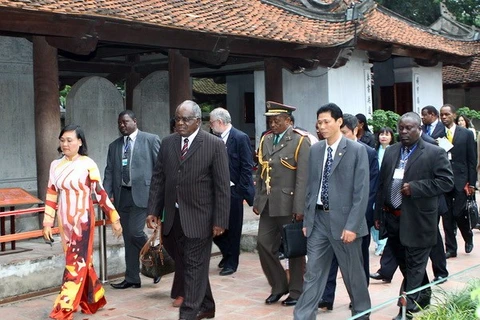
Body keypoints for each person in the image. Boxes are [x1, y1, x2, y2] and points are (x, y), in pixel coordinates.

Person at [146, 100, 230, 320]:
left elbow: (222, 186)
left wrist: (220, 220)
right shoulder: (167, 143)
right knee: (193, 264)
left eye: (185, 119)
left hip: (201, 217)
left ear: (198, 121)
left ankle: (188, 314)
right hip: (174, 218)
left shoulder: (214, 144)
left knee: (193, 265)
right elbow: (159, 178)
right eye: (177, 119)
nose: (180, 123)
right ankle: (208, 306)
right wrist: (153, 210)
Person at [294, 103, 371, 320]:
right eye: (319, 122)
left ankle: (362, 314)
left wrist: (352, 226)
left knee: (352, 275)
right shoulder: (316, 149)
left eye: (326, 121)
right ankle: (303, 316)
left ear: (339, 122)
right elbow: (311, 187)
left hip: (345, 223)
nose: (322, 126)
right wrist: (307, 219)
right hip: (318, 220)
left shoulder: (357, 151)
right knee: (313, 273)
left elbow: (361, 192)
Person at [374, 112, 454, 320]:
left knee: (415, 264)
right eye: (401, 128)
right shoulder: (391, 151)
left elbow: (446, 182)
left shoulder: (434, 152)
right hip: (393, 218)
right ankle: (424, 295)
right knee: (406, 264)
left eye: (409, 128)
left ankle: (407, 309)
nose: (404, 132)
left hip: (419, 220)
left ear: (419, 128)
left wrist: (417, 188)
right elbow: (382, 185)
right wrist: (378, 214)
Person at [42, 125, 122, 320]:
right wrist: (47, 222)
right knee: (80, 260)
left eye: (70, 140)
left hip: (82, 220)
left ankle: (64, 307)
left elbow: (100, 193)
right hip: (64, 220)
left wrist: (114, 218)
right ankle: (94, 297)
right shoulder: (55, 165)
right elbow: (52, 193)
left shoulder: (88, 163)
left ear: (80, 142)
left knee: (75, 262)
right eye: (62, 140)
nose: (65, 144)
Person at [317, 114, 379, 311]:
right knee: (330, 259)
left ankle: (359, 298)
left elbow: (369, 189)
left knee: (357, 262)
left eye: (344, 133)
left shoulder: (367, 152)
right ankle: (327, 297)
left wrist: (358, 218)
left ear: (354, 131)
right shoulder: (328, 150)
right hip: (331, 217)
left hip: (356, 219)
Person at [253, 101, 312, 307]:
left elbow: (303, 177)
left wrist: (300, 208)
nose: (272, 124)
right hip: (268, 203)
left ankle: (296, 290)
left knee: (293, 248)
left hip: (289, 203)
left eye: (277, 120)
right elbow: (261, 172)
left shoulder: (299, 141)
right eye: (270, 120)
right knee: (263, 244)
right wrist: (257, 199)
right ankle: (278, 285)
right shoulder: (266, 140)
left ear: (288, 120)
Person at [105, 110, 161, 289]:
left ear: (135, 121)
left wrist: (160, 195)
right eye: (119, 123)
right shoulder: (114, 146)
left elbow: (160, 169)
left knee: (135, 232)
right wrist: (106, 195)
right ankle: (132, 278)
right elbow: (109, 171)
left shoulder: (150, 140)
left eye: (125, 122)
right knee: (128, 238)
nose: (122, 125)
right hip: (122, 196)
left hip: (144, 195)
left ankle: (156, 261)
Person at [210, 107, 255, 276]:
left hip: (234, 191)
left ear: (220, 122)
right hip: (217, 191)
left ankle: (231, 262)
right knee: (214, 226)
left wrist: (240, 191)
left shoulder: (240, 137)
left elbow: (246, 166)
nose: (211, 126)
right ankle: (227, 252)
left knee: (233, 228)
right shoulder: (214, 139)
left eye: (212, 122)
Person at [440, 104, 476, 258]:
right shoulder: (438, 133)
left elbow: (471, 160)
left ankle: (468, 236)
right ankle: (451, 248)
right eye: (442, 115)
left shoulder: (466, 134)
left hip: (461, 179)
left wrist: (472, 182)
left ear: (454, 115)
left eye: (447, 114)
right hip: (443, 179)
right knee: (446, 215)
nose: (444, 117)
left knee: (458, 212)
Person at [372, 127, 395, 256]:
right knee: (375, 214)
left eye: (387, 134)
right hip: (375, 187)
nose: (384, 137)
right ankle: (379, 242)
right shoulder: (374, 151)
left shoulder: (395, 151)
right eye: (381, 134)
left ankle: (384, 243)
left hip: (389, 188)